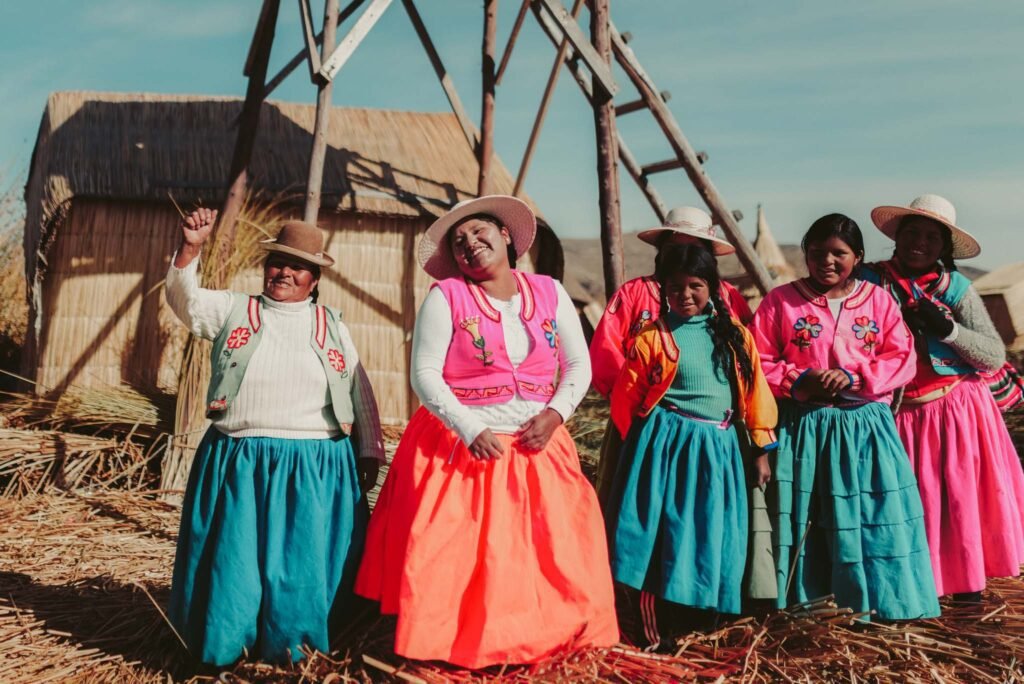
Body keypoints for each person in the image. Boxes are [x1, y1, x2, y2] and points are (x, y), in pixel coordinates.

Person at [354, 195, 618, 668]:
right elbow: (426, 374)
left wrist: (556, 414)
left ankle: (543, 640)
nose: (470, 245)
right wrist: (469, 427)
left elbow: (578, 364)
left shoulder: (550, 293)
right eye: (459, 243)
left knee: (546, 548)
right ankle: (459, 644)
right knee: (465, 554)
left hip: (538, 444)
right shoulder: (448, 297)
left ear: (506, 237)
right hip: (466, 446)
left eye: (479, 233)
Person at [165, 208, 385, 665]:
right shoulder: (234, 309)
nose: (284, 272)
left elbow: (357, 388)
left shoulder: (333, 326)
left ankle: (296, 653)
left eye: (297, 266)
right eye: (277, 263)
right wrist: (191, 247)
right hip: (240, 459)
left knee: (300, 567)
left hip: (316, 464)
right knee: (236, 563)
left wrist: (368, 449)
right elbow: (183, 301)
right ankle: (228, 649)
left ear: (314, 277)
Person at [751, 213, 939, 620]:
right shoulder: (780, 301)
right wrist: (801, 378)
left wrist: (854, 376)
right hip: (805, 427)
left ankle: (882, 605)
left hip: (864, 430)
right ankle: (809, 608)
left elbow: (901, 358)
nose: (827, 262)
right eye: (817, 253)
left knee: (872, 514)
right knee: (810, 517)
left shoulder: (878, 301)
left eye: (839, 254)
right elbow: (757, 359)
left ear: (858, 256)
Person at [605, 241, 777, 647]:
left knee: (713, 533)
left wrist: (759, 448)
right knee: (664, 531)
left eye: (695, 286)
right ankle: (655, 629)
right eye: (675, 287)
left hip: (718, 450)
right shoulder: (652, 338)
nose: (685, 295)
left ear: (713, 286)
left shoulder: (735, 336)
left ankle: (702, 625)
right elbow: (625, 399)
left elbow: (756, 393)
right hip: (666, 449)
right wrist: (645, 449)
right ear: (663, 288)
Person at [862, 194, 1024, 602]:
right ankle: (913, 589)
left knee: (958, 501)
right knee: (913, 503)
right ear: (896, 237)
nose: (920, 242)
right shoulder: (868, 283)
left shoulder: (957, 290)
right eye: (912, 232)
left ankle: (966, 590)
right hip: (899, 414)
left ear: (944, 247)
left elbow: (992, 354)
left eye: (932, 237)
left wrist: (947, 330)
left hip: (956, 411)